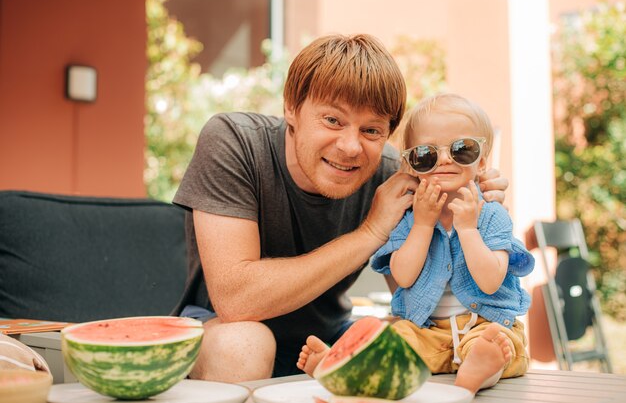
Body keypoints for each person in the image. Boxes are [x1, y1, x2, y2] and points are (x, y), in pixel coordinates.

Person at [172, 35, 513, 382]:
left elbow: (417, 298)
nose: (351, 147)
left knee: (418, 342)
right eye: (333, 120)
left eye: (370, 130)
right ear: (292, 107)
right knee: (244, 343)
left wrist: (469, 212)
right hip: (223, 330)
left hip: (329, 339)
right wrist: (371, 232)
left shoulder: (393, 174)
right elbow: (235, 301)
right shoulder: (235, 142)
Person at [297, 93, 534, 394]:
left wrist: (468, 230)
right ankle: (337, 366)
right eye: (427, 154)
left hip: (484, 326)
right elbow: (404, 276)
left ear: (482, 162)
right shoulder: (409, 218)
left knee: (496, 347)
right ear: (411, 165)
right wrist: (422, 225)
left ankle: (475, 375)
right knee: (393, 339)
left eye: (462, 150)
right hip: (428, 332)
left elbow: (490, 282)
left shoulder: (492, 216)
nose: (445, 159)